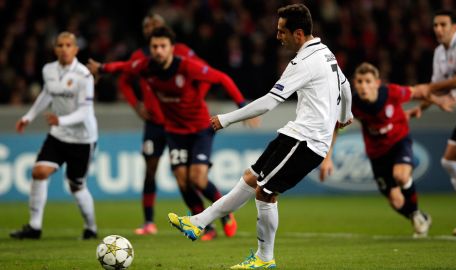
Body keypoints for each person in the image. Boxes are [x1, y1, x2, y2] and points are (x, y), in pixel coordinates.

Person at [167, 4, 353, 269]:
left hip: (307, 141)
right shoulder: (326, 53)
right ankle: (198, 222)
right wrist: (345, 115)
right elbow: (345, 87)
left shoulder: (303, 62)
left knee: (265, 192)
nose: (278, 36)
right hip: (295, 133)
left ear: (298, 33)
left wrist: (227, 119)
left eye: (282, 32)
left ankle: (265, 258)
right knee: (250, 177)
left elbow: (268, 103)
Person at [90, 26, 259, 241]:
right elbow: (124, 67)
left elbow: (222, 78)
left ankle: (225, 213)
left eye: (163, 46)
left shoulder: (187, 67)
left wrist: (243, 107)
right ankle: (205, 227)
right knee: (182, 181)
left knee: (197, 179)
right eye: (155, 47)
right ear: (150, 49)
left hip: (200, 129)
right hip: (174, 131)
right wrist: (102, 68)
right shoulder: (145, 66)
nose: (159, 51)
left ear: (172, 48)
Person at [87, 13, 213, 237]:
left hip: (180, 123)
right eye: (148, 26)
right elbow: (124, 80)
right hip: (154, 124)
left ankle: (207, 221)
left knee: (189, 177)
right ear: (144, 32)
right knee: (152, 171)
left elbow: (206, 73)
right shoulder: (140, 58)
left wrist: (196, 99)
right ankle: (148, 222)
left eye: (156, 25)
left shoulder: (181, 52)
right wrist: (136, 106)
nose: (152, 28)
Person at [319, 62, 455, 238]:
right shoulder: (353, 104)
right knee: (395, 201)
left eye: (368, 81)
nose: (363, 86)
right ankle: (419, 216)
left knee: (401, 175)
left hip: (399, 142)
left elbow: (419, 91)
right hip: (377, 154)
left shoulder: (392, 92)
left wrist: (437, 101)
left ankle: (416, 215)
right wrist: (327, 158)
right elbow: (335, 127)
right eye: (359, 81)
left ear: (377, 82)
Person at [10, 32, 98, 240]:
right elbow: (47, 93)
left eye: (68, 45)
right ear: (55, 48)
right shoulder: (48, 70)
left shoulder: (84, 76)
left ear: (76, 49)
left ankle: (91, 227)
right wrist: (29, 116)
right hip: (58, 135)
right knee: (39, 172)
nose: (64, 49)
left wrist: (61, 120)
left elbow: (85, 112)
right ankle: (34, 227)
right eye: (60, 45)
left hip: (82, 138)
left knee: (76, 186)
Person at [411, 10, 456, 236]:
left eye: (443, 25)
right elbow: (437, 87)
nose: (438, 29)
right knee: (449, 161)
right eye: (435, 25)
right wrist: (419, 109)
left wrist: (431, 89)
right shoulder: (440, 52)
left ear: (455, 27)